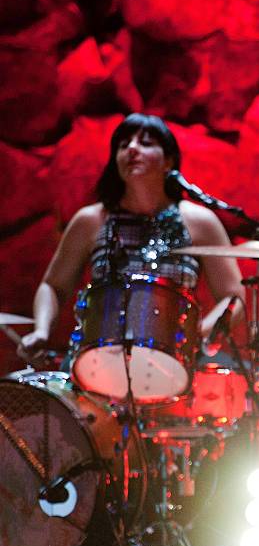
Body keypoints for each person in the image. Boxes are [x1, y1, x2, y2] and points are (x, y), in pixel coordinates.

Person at [18, 113, 244, 366]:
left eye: (146, 143)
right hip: (98, 361)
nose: (132, 149)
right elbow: (53, 286)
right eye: (124, 145)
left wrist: (199, 334)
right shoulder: (91, 219)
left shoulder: (199, 221)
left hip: (173, 364)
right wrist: (41, 331)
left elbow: (234, 296)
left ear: (168, 161)